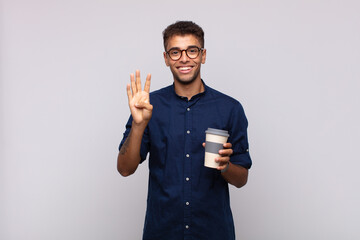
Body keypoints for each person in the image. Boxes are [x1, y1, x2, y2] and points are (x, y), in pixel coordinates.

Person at [117, 21, 252, 240]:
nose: (184, 58)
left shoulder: (230, 109)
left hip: (213, 232)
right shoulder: (149, 106)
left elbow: (241, 179)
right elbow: (124, 168)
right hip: (162, 232)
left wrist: (225, 166)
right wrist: (139, 125)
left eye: (191, 50)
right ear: (166, 58)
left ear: (203, 55)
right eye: (175, 52)